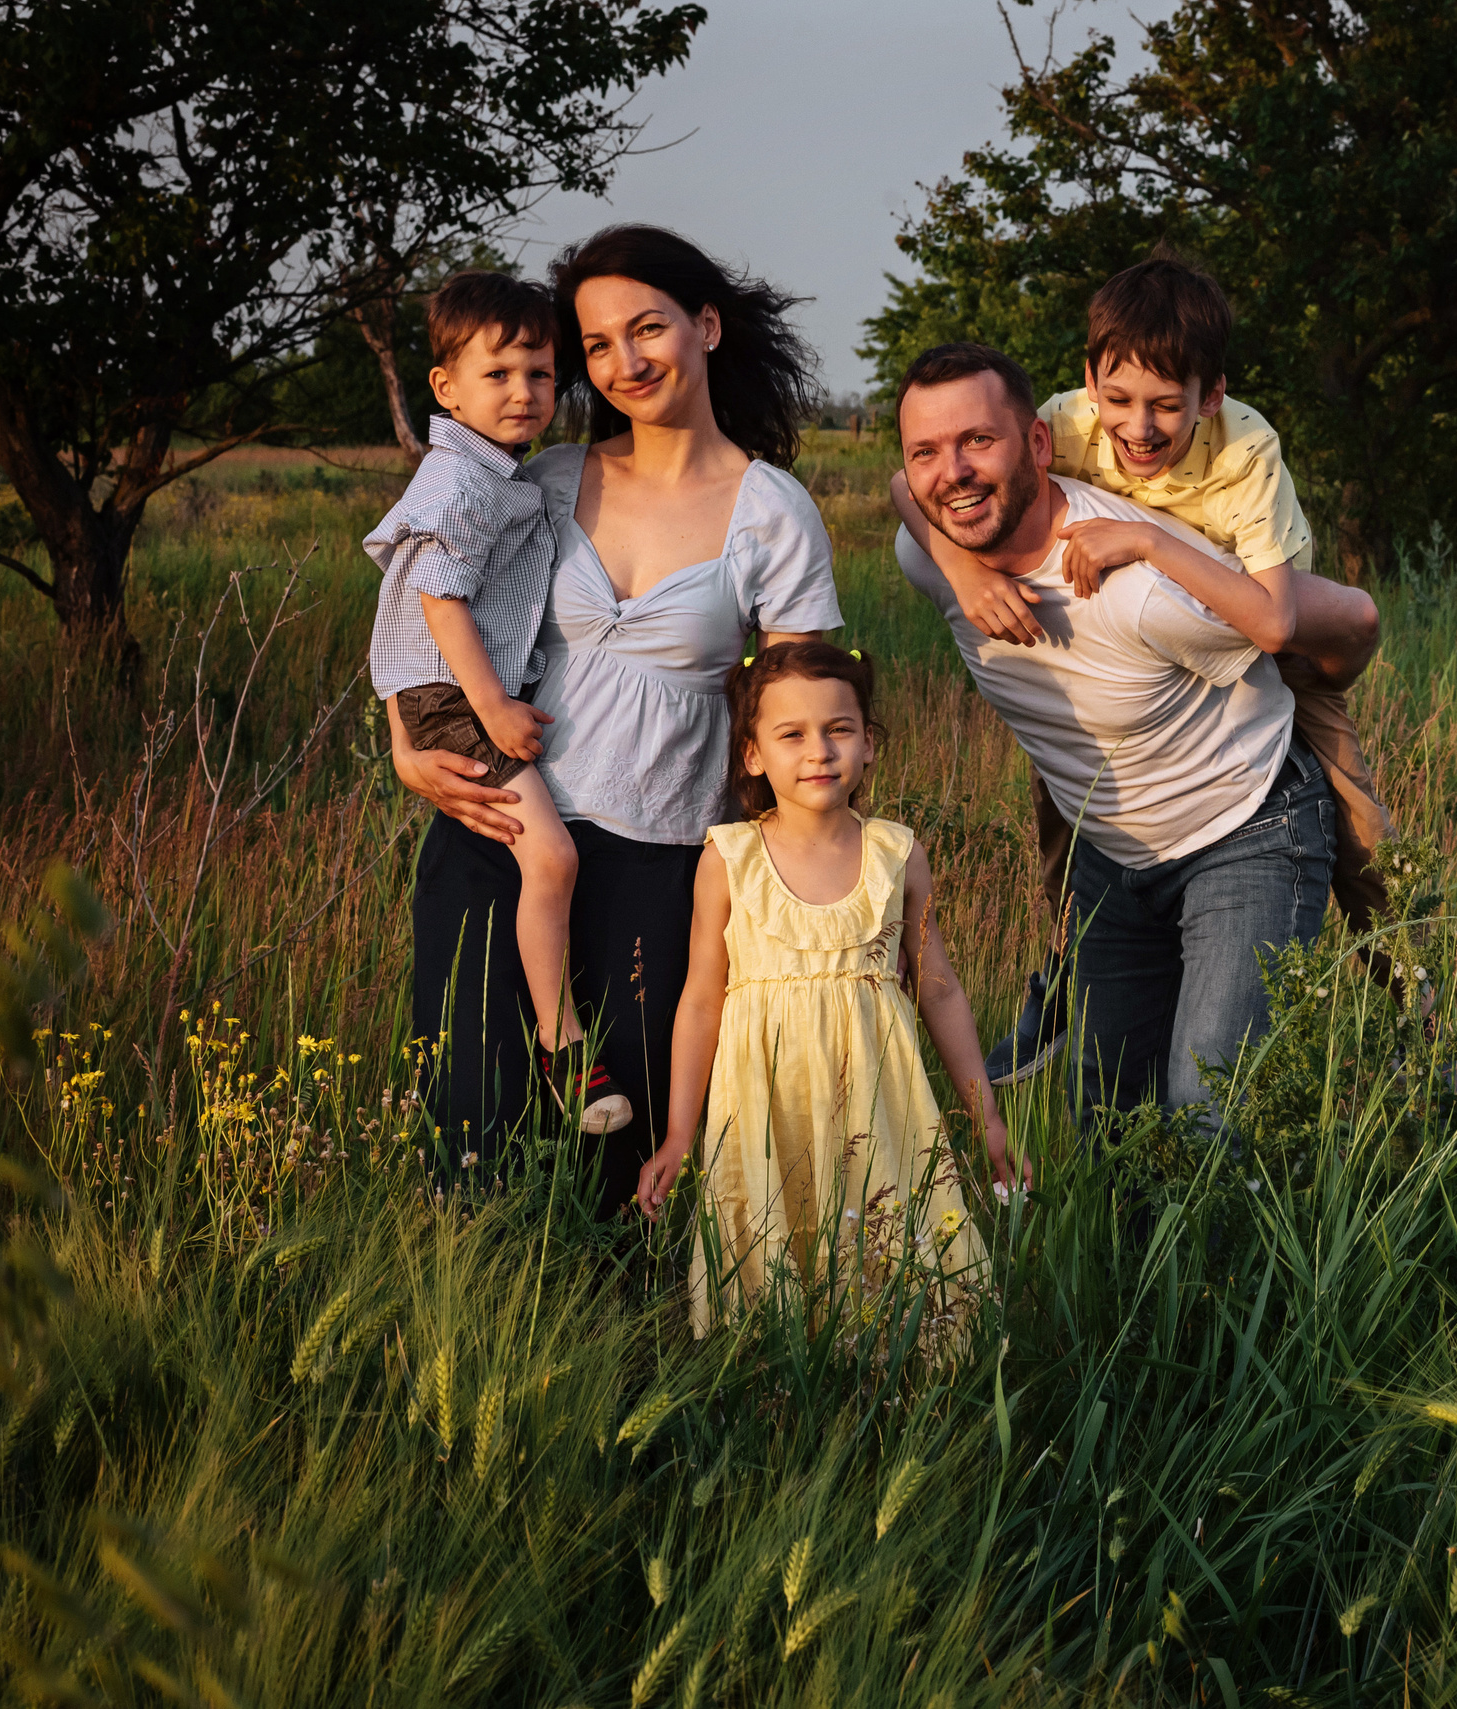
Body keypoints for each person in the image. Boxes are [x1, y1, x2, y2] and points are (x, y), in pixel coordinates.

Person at [388, 226, 841, 1212]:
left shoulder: (773, 510)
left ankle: (631, 1359)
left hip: (659, 861)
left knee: (621, 1155)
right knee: (475, 1137)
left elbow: (810, 710)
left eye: (647, 329)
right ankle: (477, 1335)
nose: (624, 362)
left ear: (707, 325)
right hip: (498, 832)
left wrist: (799, 876)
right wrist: (403, 739)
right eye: (596, 344)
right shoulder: (547, 482)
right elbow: (431, 596)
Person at [895, 257, 1398, 1088]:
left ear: (1210, 396)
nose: (1140, 427)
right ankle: (1057, 978)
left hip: (1251, 733)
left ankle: (1421, 1014)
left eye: (978, 441)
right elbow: (906, 488)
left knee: (1363, 843)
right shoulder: (965, 521)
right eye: (931, 452)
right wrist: (962, 571)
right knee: (1110, 1130)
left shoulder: (1225, 478)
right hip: (1115, 838)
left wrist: (1151, 542)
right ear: (1088, 388)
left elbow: (1289, 622)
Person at [633, 643, 1021, 1332]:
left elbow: (941, 992)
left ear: (869, 745)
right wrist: (680, 1132)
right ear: (752, 754)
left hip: (878, 1109)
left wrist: (984, 1116)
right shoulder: (729, 859)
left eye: (839, 729)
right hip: (766, 1110)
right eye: (792, 734)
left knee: (891, 1252)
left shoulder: (896, 853)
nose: (819, 750)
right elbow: (700, 1000)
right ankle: (775, 1389)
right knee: (773, 1255)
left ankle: (898, 1371)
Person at [366, 271, 630, 1134]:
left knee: (538, 861)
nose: (525, 393)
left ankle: (553, 1038)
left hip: (442, 690)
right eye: (500, 374)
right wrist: (494, 709)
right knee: (550, 860)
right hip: (458, 694)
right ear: (445, 387)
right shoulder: (465, 484)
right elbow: (439, 598)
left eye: (542, 375)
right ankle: (564, 1044)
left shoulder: (481, 470)